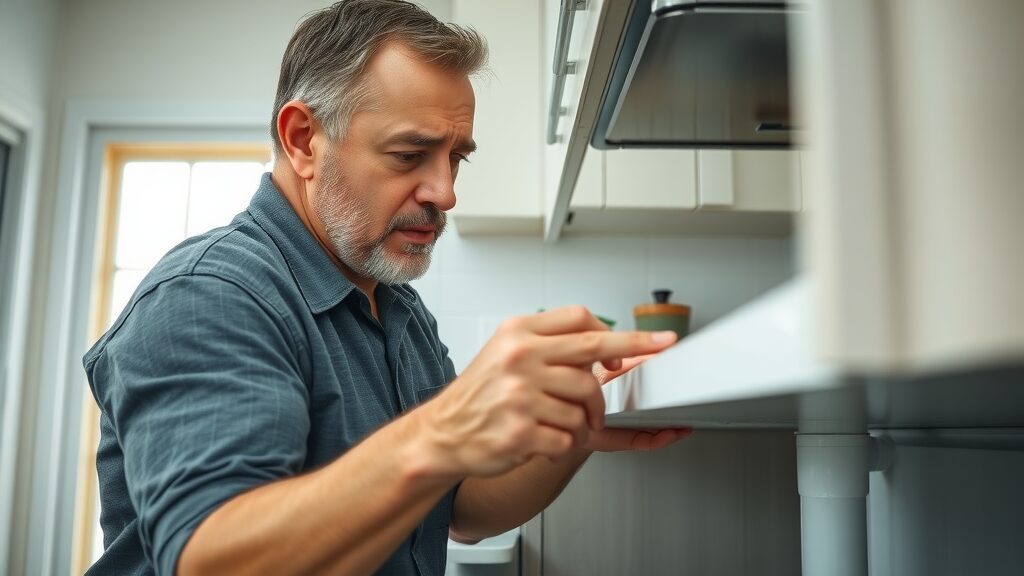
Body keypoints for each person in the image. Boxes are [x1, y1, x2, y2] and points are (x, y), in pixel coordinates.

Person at [83, 1, 691, 574]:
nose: (445, 192)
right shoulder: (210, 297)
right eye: (409, 155)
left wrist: (576, 430)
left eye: (456, 158)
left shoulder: (394, 302)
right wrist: (446, 427)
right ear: (302, 141)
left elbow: (461, 509)